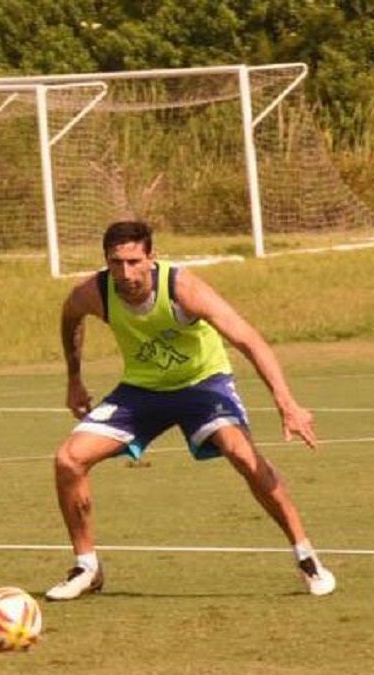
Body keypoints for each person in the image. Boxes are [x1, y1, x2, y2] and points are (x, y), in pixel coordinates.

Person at [45, 220, 336, 601]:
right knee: (68, 460)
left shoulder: (182, 289)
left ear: (151, 257)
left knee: (241, 453)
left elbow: (247, 339)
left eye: (134, 261)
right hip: (141, 391)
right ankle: (87, 568)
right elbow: (70, 318)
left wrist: (287, 402)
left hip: (203, 385)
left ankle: (306, 556)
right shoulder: (95, 292)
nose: (126, 273)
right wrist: (74, 379)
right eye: (116, 263)